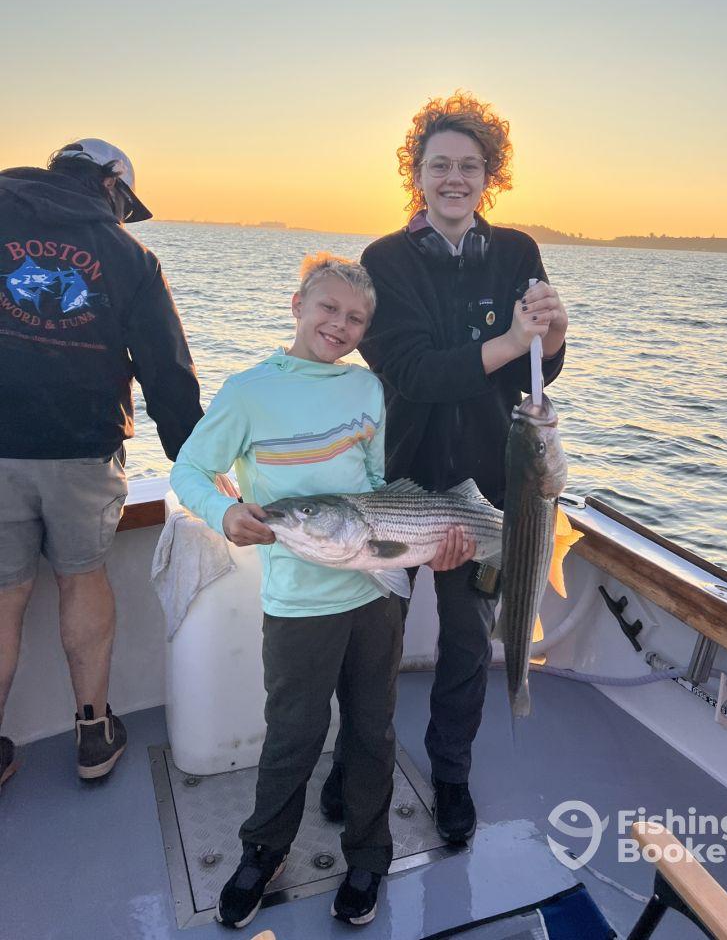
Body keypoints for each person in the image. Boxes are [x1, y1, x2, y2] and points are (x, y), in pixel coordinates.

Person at [320, 91, 568, 843]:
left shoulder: (518, 251)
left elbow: (538, 374)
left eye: (469, 166)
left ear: (488, 177)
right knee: (372, 644)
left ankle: (451, 775)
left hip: (490, 497)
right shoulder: (384, 261)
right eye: (439, 166)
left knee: (466, 646)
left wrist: (551, 337)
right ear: (416, 176)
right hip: (398, 485)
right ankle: (354, 764)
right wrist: (507, 342)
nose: (454, 178)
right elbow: (413, 370)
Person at [170, 254, 403, 930]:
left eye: (356, 318)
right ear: (298, 304)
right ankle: (264, 851)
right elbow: (191, 469)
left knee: (371, 732)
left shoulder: (368, 393)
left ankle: (368, 853)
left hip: (373, 596)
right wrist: (223, 513)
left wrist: (428, 538)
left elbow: (381, 486)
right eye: (328, 308)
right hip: (300, 605)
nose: (340, 325)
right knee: (293, 737)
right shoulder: (249, 391)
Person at [0, 139, 203, 790]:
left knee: (3, 596)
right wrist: (193, 462)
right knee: (83, 577)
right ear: (111, 182)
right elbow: (166, 372)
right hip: (82, 447)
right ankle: (93, 732)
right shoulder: (129, 256)